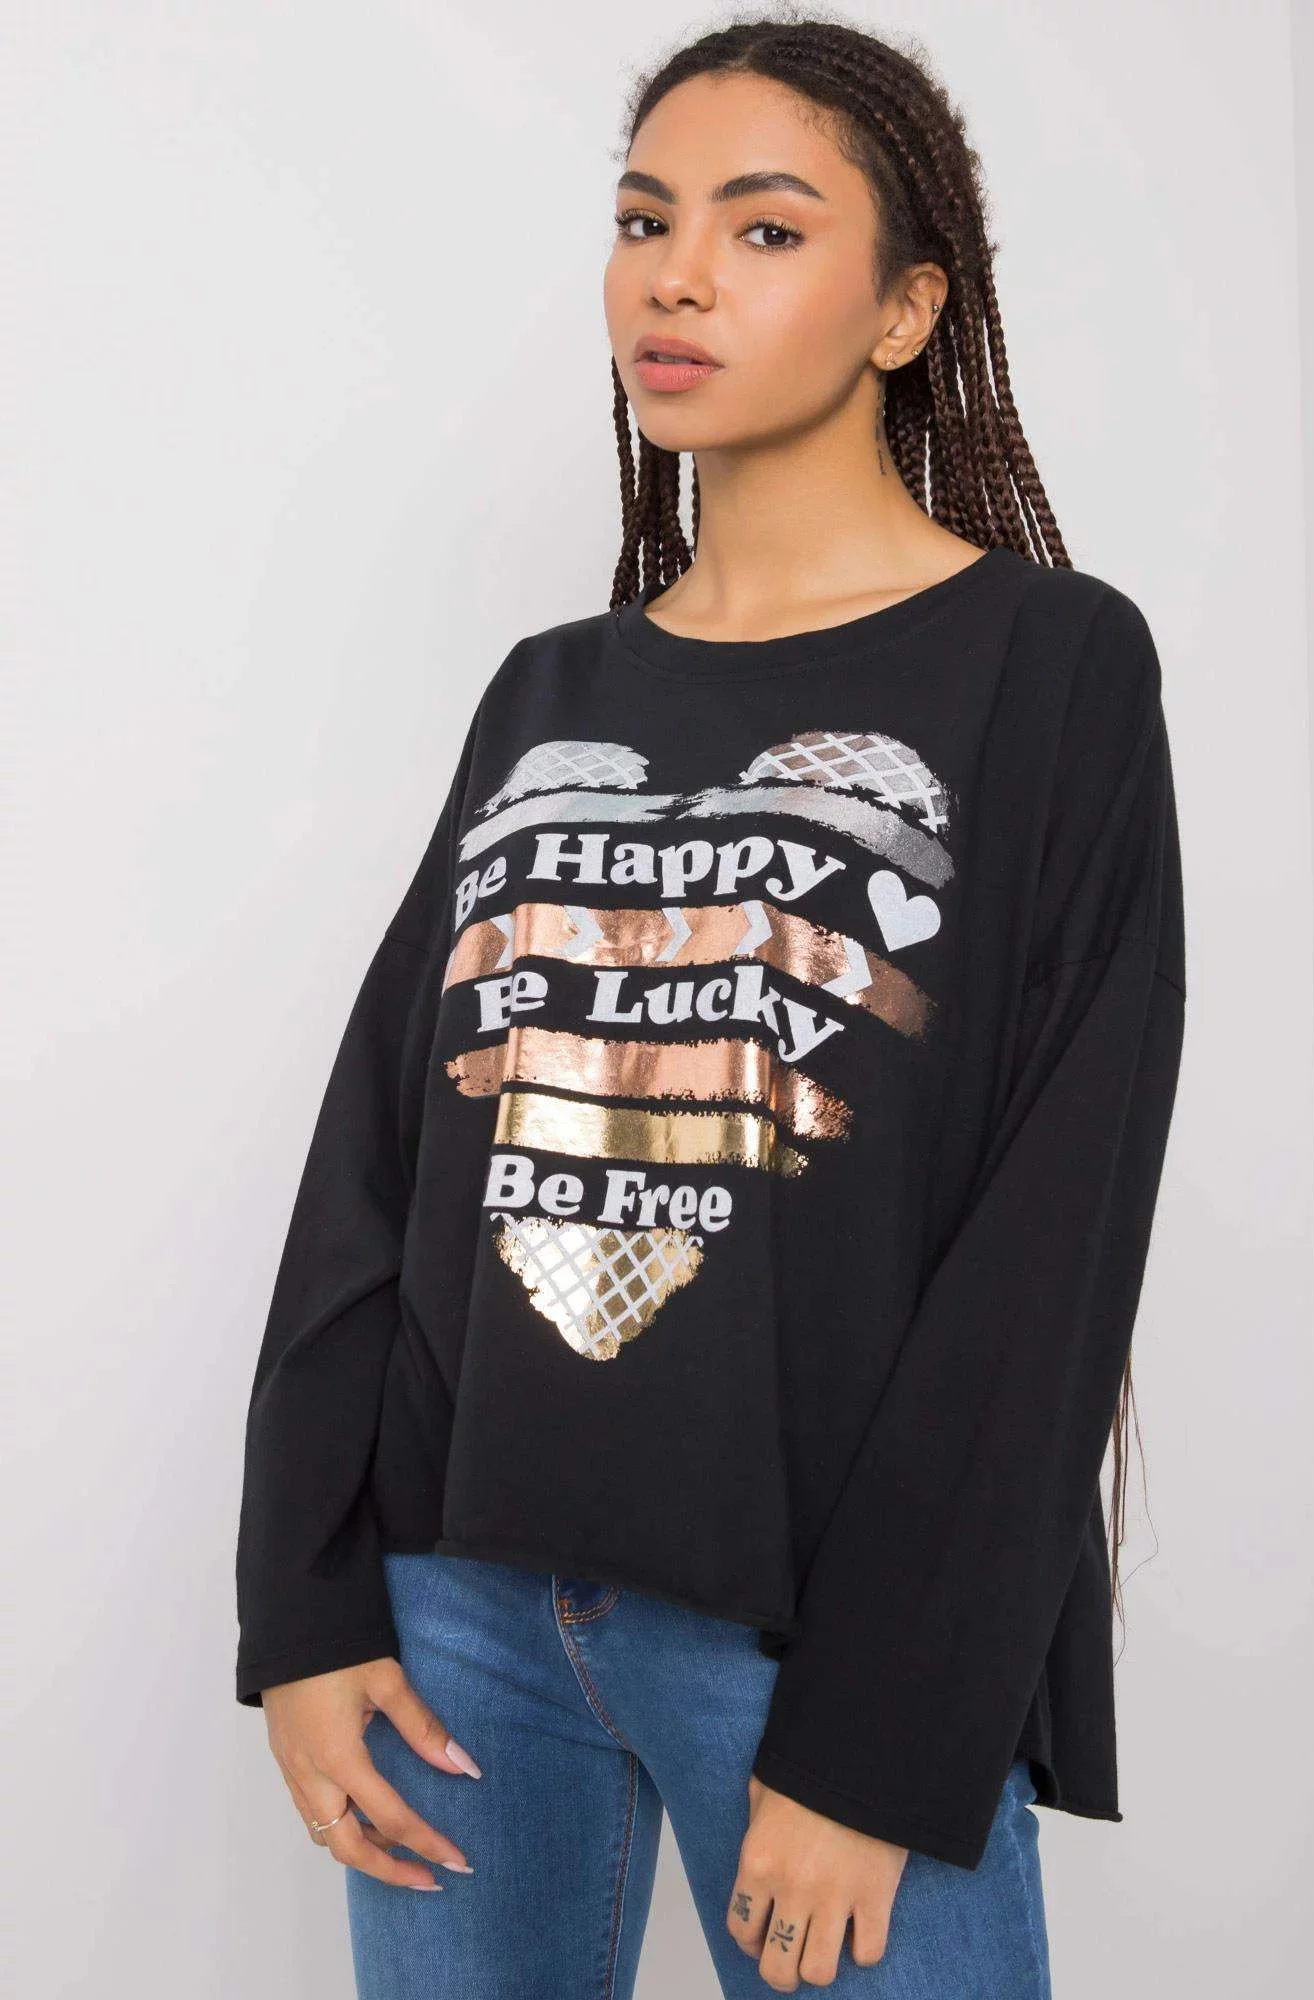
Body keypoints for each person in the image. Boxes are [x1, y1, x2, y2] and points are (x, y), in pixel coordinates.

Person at [234, 15, 1187, 1997]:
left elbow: (1054, 1242)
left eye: (763, 230)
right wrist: (309, 1602)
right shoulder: (551, 691)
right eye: (643, 219)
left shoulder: (1052, 666)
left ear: (906, 309)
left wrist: (885, 1737)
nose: (675, 276)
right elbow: (385, 1158)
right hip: (460, 1613)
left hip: (812, 1638)